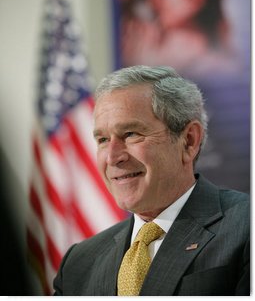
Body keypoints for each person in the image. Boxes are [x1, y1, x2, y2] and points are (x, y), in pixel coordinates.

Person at [53, 65, 250, 296]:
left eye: (131, 134)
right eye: (103, 139)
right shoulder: (79, 262)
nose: (113, 157)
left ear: (188, 141)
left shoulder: (246, 228)